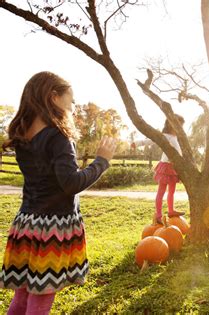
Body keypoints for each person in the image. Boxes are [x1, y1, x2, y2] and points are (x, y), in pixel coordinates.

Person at [0, 71, 116, 314]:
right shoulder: (58, 135)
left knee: (22, 297)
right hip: (52, 229)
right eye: (71, 99)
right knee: (40, 301)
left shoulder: (23, 133)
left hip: (27, 224)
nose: (73, 106)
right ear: (54, 97)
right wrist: (102, 162)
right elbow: (71, 183)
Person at [153, 114, 186, 224]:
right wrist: (138, 143)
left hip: (173, 167)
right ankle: (158, 215)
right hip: (166, 166)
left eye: (181, 126)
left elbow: (179, 152)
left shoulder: (176, 137)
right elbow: (152, 140)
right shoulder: (165, 136)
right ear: (171, 124)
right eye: (179, 125)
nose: (180, 128)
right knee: (161, 191)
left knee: (172, 191)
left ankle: (171, 210)